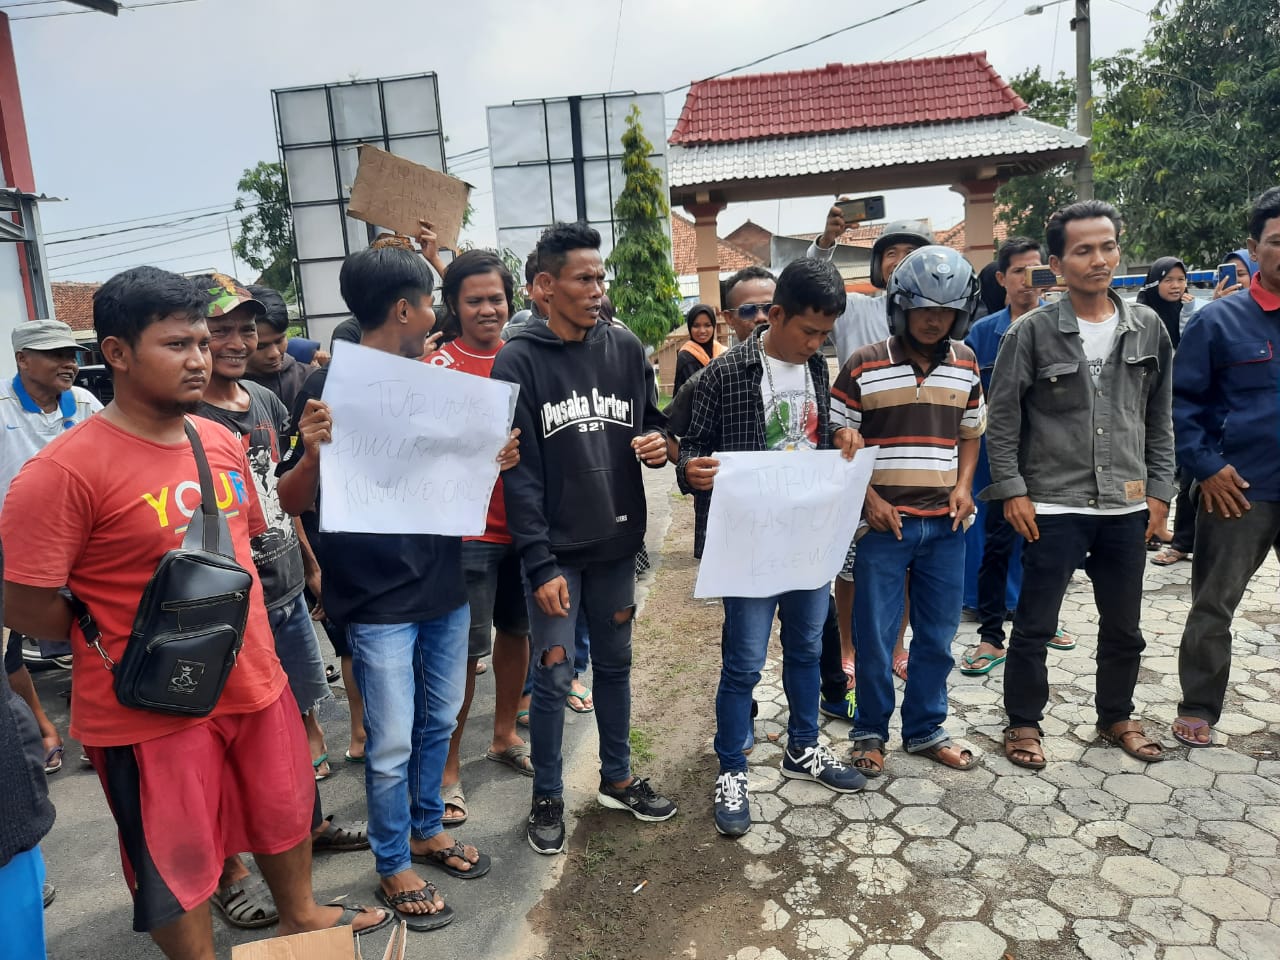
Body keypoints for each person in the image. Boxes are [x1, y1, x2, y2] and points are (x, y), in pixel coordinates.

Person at [2, 266, 388, 959]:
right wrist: (114, 635)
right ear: (117, 353)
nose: (199, 359)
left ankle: (300, 917)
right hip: (145, 708)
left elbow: (249, 541)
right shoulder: (61, 473)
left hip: (254, 679)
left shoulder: (217, 440)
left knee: (283, 810)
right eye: (177, 344)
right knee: (174, 858)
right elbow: (25, 602)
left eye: (202, 344)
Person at [277, 244, 517, 931]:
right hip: (375, 597)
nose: (438, 315)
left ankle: (425, 828)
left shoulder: (437, 385)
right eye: (432, 303)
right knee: (389, 740)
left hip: (441, 583)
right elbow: (290, 498)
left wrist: (494, 459)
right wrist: (313, 451)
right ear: (406, 309)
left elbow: (450, 474)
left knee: (438, 720)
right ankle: (392, 861)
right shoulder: (328, 388)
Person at [191, 273, 371, 929]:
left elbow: (281, 497)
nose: (236, 342)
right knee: (218, 745)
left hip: (285, 591)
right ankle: (228, 870)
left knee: (292, 725)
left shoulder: (264, 400)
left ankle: (306, 826)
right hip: (224, 611)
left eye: (246, 329)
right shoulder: (186, 416)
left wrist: (310, 561)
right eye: (220, 330)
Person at [492, 221, 676, 856]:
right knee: (553, 673)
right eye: (583, 278)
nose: (597, 289)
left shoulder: (624, 348)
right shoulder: (517, 361)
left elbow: (656, 424)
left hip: (617, 545)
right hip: (555, 556)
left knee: (616, 666)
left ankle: (617, 778)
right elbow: (518, 476)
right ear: (545, 286)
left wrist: (662, 445)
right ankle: (547, 794)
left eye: (601, 277)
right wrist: (538, 563)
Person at [983, 200, 1175, 770]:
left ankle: (1117, 715)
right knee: (1035, 625)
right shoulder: (1030, 333)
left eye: (1107, 246)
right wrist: (1013, 490)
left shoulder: (1148, 326)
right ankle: (1023, 722)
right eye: (1084, 250)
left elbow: (1159, 416)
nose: (1099, 260)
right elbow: (1003, 420)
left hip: (1125, 505)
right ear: (1057, 264)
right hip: (1052, 504)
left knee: (1125, 627)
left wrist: (1160, 493)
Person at [680, 256, 867, 837]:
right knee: (744, 662)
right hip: (749, 545)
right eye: (808, 331)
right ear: (777, 315)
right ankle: (733, 768)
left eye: (824, 334)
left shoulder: (816, 370)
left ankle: (803, 747)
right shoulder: (725, 372)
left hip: (806, 539)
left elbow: (813, 436)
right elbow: (690, 445)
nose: (815, 344)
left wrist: (841, 435)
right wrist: (691, 471)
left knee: (808, 649)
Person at [831, 246, 985, 777]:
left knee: (937, 638)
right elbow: (838, 438)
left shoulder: (966, 363)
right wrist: (868, 500)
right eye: (923, 309)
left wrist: (964, 485)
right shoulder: (863, 363)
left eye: (945, 310)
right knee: (874, 638)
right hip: (884, 527)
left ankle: (925, 729)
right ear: (899, 306)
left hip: (946, 526)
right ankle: (870, 732)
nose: (933, 320)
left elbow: (971, 433)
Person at [426, 250, 534, 828]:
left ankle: (504, 735)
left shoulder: (526, 357)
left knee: (518, 634)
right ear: (454, 306)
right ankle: (447, 769)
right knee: (464, 654)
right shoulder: (437, 368)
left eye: (497, 298)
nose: (488, 309)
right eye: (475, 300)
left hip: (527, 527)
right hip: (468, 531)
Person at [1171, 187, 1280, 747]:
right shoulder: (1218, 321)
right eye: (1277, 241)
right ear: (1254, 248)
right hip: (1239, 488)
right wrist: (1206, 467)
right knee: (1214, 603)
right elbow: (1181, 404)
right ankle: (1199, 704)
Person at [809, 212, 932, 685]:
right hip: (855, 450)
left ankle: (897, 645)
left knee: (905, 557)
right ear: (878, 264)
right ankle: (848, 647)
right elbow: (817, 284)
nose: (899, 261)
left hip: (913, 454)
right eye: (891, 253)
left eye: (911, 253)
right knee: (849, 562)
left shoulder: (938, 320)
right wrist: (826, 241)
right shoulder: (857, 309)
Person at [960, 239, 1076, 675]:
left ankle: (1042, 617)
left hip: (1050, 453)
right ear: (1002, 278)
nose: (1029, 281)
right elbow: (969, 395)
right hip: (997, 451)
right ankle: (990, 627)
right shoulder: (982, 333)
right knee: (994, 538)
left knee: (1047, 539)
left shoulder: (1064, 325)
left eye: (1037, 271)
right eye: (1019, 272)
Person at [0, 319, 102, 777]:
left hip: (84, 544)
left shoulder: (85, 403)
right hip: (16, 548)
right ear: (23, 360)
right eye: (55, 355)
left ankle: (95, 729)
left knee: (93, 635)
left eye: (71, 354)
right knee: (10, 649)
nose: (69, 363)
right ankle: (42, 727)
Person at [1136, 258, 1200, 566]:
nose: (1177, 286)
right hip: (1144, 404)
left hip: (1180, 405)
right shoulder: (1141, 316)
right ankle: (1145, 529)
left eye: (1181, 279)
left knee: (1172, 468)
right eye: (1169, 280)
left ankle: (1161, 528)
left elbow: (1191, 352)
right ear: (1154, 283)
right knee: (1144, 465)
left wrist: (1191, 313)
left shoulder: (1190, 314)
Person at [243, 284, 311, 411]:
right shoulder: (226, 390)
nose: (274, 354)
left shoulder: (309, 379)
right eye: (261, 346)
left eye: (279, 340)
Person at [672, 303, 723, 395]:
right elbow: (691, 391)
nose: (702, 331)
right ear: (689, 327)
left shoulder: (721, 351)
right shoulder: (686, 356)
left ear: (713, 326)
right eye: (696, 326)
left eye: (707, 325)